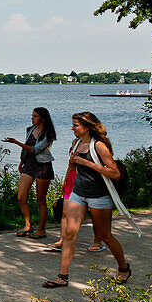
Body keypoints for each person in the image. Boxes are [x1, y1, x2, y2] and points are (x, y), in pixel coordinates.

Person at [43, 112, 131, 288]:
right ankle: (62, 277)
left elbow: (115, 173)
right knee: (69, 234)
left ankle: (123, 268)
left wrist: (88, 164)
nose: (72, 128)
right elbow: (72, 164)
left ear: (87, 127)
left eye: (75, 125)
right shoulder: (76, 143)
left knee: (105, 236)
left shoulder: (99, 146)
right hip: (78, 193)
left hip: (98, 196)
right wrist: (67, 180)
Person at [3, 107, 56, 238]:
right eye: (32, 116)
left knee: (41, 199)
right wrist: (22, 162)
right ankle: (28, 225)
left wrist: (16, 142)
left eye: (35, 116)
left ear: (43, 118)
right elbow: (27, 150)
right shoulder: (30, 129)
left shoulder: (48, 133)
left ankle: (41, 230)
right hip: (29, 164)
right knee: (21, 196)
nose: (32, 118)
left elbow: (35, 149)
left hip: (43, 165)